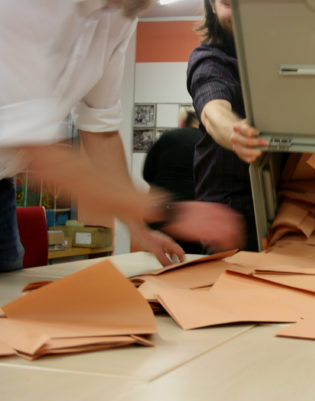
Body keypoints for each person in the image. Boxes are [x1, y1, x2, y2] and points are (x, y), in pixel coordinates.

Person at [0, 0, 244, 271]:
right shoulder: (24, 7)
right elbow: (40, 155)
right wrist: (168, 211)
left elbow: (101, 131)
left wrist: (138, 228)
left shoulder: (121, 17)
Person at [187, 0, 268, 253]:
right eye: (228, 3)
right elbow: (212, 110)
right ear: (212, 5)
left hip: (288, 201)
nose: (241, 11)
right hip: (231, 208)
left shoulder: (286, 55)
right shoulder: (210, 58)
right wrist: (237, 132)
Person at [143, 108, 206, 253]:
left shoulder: (168, 137)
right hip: (193, 212)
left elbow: (147, 173)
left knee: (157, 261)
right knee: (190, 259)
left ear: (184, 122)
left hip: (161, 210)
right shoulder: (205, 141)